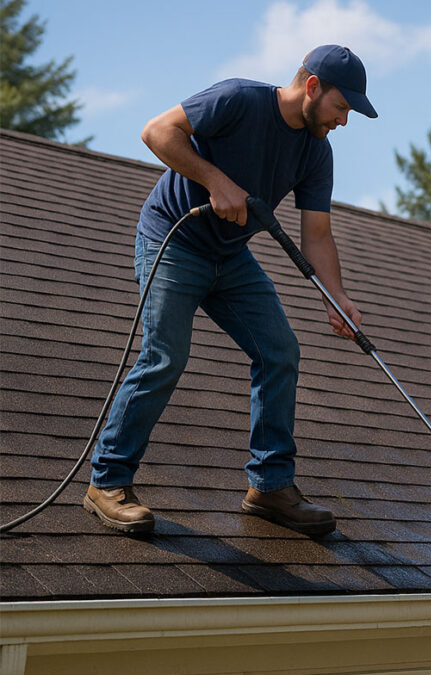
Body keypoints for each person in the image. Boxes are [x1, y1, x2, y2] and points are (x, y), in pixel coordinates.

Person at [83, 45, 377, 537]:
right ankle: (107, 482)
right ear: (311, 87)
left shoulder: (315, 150)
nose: (344, 121)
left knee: (280, 351)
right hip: (171, 239)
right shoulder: (238, 99)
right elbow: (156, 132)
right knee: (165, 356)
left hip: (230, 256)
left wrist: (336, 296)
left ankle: (270, 487)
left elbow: (318, 235)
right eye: (342, 107)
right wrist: (215, 180)